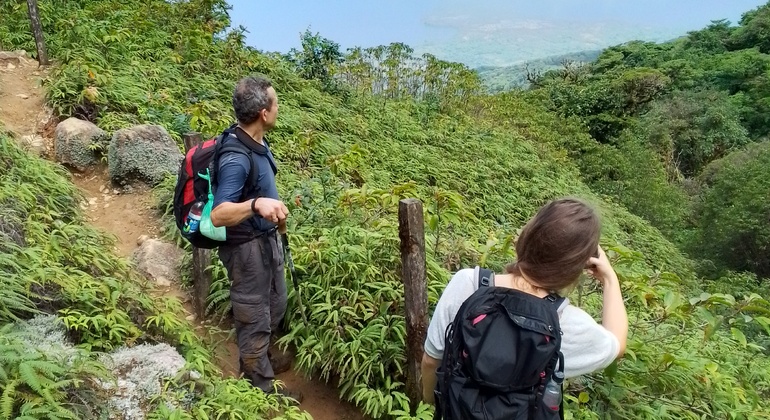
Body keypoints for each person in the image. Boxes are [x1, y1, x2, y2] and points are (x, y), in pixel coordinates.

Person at [420, 197, 628, 404]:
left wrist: (432, 404)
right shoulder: (566, 323)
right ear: (578, 267)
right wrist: (610, 279)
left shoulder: (468, 284)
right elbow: (617, 345)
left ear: (529, 235)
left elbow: (431, 360)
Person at [210, 75, 302, 402]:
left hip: (266, 241)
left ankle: (259, 359)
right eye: (276, 103)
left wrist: (269, 204)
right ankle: (260, 389)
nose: (279, 108)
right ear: (264, 112)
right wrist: (256, 204)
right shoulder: (236, 157)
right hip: (246, 251)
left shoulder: (257, 140)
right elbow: (218, 214)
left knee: (275, 304)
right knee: (253, 315)